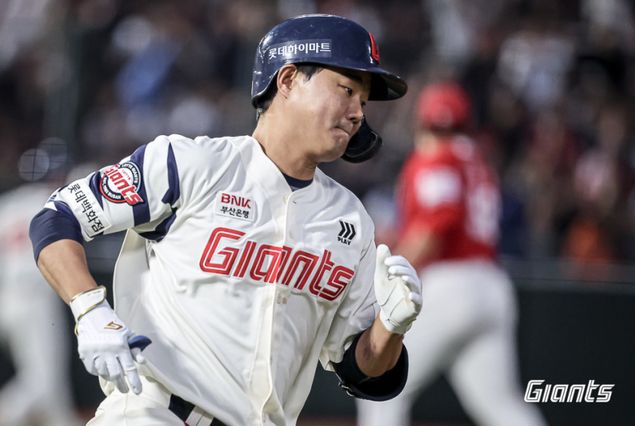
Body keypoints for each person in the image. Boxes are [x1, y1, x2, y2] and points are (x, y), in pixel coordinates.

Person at [29, 14, 422, 426]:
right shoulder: (192, 164)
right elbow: (57, 217)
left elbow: (361, 371)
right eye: (347, 90)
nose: (357, 113)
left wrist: (391, 324)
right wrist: (90, 310)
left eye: (363, 102)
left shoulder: (350, 219)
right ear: (288, 80)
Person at [356, 82, 547, 426]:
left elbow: (434, 228)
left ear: (422, 122)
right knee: (501, 406)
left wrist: (389, 274)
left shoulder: (436, 158)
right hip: (492, 284)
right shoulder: (477, 161)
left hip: (450, 284)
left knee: (376, 380)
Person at [0, 179, 83, 426]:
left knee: (54, 390)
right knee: (43, 383)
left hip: (8, 300)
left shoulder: (7, 205)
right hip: (35, 301)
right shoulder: (52, 199)